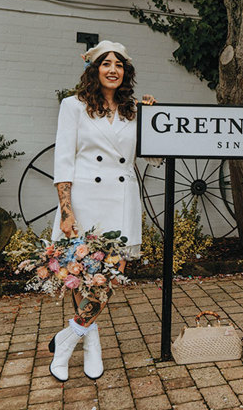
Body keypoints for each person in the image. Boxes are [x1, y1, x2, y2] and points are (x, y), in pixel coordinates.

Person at [48, 40, 159, 382]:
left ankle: (67, 340)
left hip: (121, 198)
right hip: (84, 197)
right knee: (80, 276)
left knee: (108, 277)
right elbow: (63, 158)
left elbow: (155, 157)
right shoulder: (73, 106)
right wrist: (66, 210)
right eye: (106, 63)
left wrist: (156, 119)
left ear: (126, 73)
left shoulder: (134, 110)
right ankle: (90, 342)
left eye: (119, 65)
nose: (113, 69)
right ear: (94, 70)